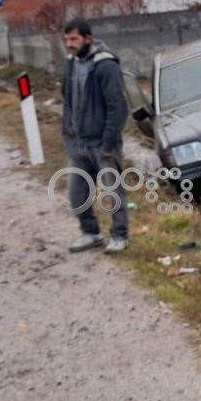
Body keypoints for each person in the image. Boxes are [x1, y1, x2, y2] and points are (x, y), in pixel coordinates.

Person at [62, 19, 129, 254]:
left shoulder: (106, 65)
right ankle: (91, 233)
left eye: (74, 39)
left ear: (88, 39)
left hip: (102, 143)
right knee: (77, 194)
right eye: (67, 39)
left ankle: (120, 236)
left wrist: (109, 144)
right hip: (78, 143)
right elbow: (68, 101)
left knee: (114, 192)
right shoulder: (71, 63)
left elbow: (118, 107)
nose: (69, 44)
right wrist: (68, 135)